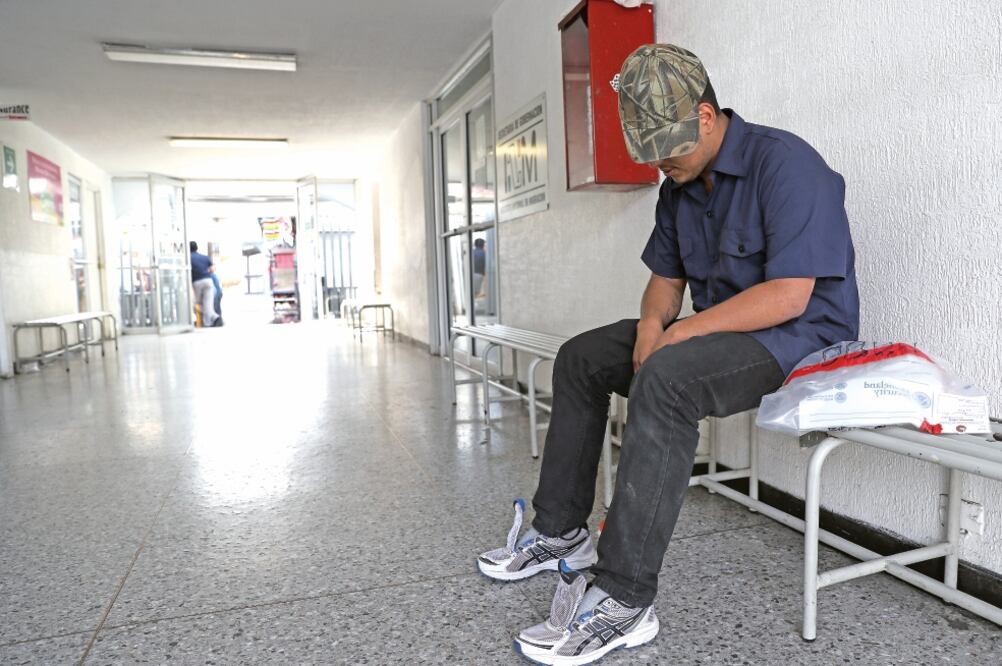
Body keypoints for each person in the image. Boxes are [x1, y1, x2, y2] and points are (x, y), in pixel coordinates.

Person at [477, 44, 859, 665]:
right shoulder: (680, 184)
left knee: (667, 383)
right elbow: (666, 280)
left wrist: (680, 337)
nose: (659, 163)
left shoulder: (787, 165)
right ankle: (560, 531)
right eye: (649, 152)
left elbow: (791, 295)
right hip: (717, 330)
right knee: (581, 357)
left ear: (706, 117)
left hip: (798, 339)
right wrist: (654, 325)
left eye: (668, 147)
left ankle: (625, 599)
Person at [189, 241, 218, 328]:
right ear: (197, 248)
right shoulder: (205, 257)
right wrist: (205, 272)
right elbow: (213, 268)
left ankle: (209, 320)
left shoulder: (189, 258)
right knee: (207, 303)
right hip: (208, 280)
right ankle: (213, 319)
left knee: (196, 303)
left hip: (197, 282)